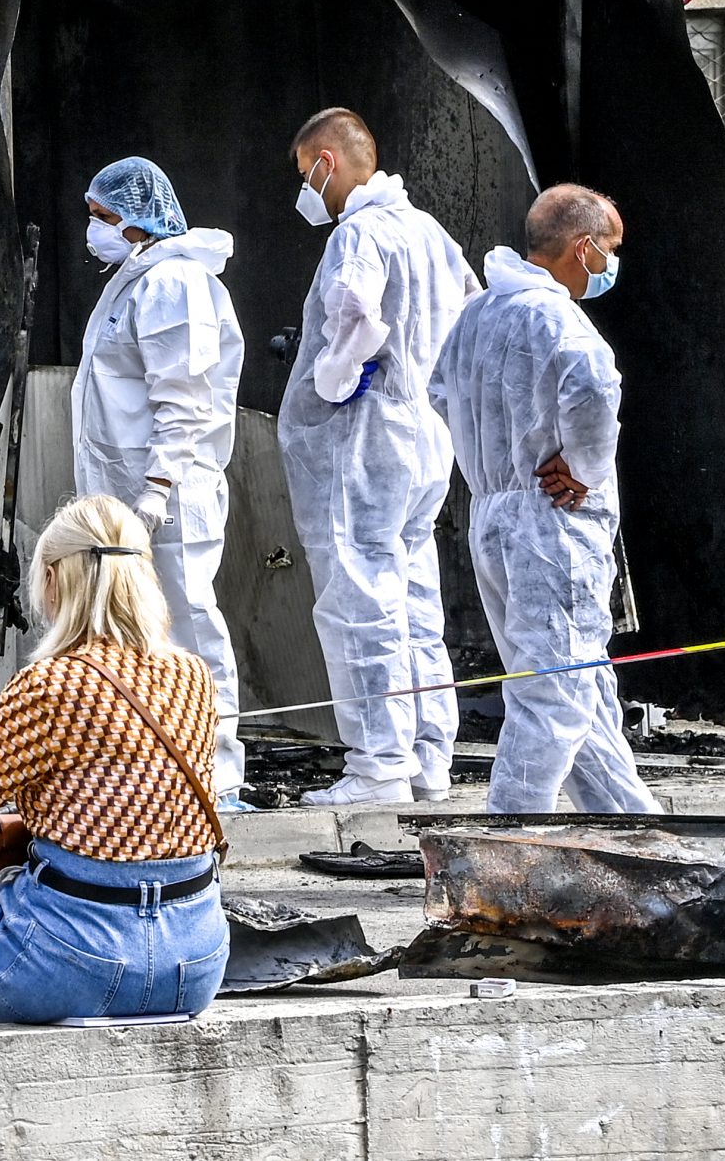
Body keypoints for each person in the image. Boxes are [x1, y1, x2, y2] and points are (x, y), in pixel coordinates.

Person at [0, 495, 228, 1027]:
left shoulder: (51, 685)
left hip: (72, 959)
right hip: (196, 960)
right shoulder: (194, 677)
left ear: (53, 580)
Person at [429, 186, 656, 816]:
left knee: (578, 685)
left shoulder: (480, 312)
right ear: (583, 248)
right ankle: (506, 836)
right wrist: (578, 465)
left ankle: (630, 825)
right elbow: (594, 386)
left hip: (494, 515)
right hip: (552, 523)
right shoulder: (557, 319)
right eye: (608, 249)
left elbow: (440, 391)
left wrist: (492, 453)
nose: (610, 263)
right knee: (555, 693)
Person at [277, 108, 479, 808]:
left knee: (359, 596)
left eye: (307, 173)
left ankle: (378, 765)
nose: (308, 189)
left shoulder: (360, 231)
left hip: (363, 438)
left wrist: (334, 374)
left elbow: (357, 309)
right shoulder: (429, 232)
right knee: (414, 596)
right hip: (422, 436)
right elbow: (470, 317)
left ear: (328, 161)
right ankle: (428, 758)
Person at [75, 157, 249, 805]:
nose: (93, 229)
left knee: (189, 628)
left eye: (103, 217)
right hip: (136, 497)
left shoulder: (175, 283)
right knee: (143, 635)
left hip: (169, 497)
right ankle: (161, 768)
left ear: (138, 217)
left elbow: (185, 397)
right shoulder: (136, 278)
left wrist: (158, 486)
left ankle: (219, 772)